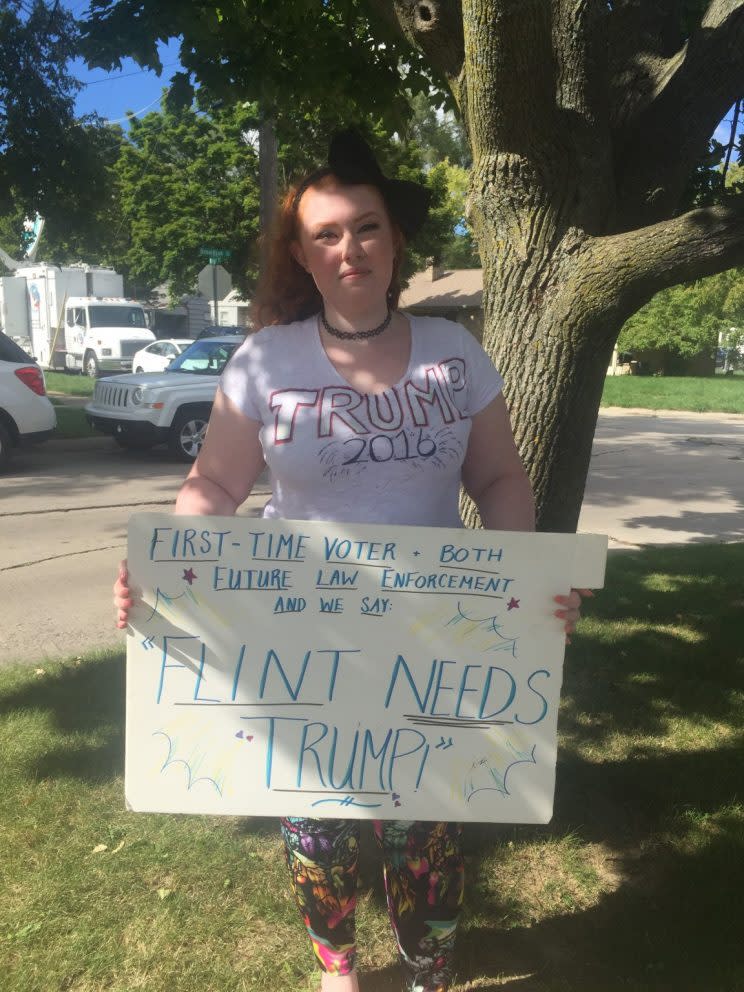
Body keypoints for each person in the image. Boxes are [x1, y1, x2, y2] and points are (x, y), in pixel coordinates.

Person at [114, 130, 587, 992]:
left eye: (365, 227)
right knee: (317, 822)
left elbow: (499, 476)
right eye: (326, 234)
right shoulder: (264, 360)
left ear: (394, 237)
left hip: (430, 632)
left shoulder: (454, 353)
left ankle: (428, 968)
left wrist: (526, 587)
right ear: (302, 253)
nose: (349, 248)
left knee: (427, 819)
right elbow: (214, 486)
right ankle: (339, 971)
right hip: (301, 631)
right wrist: (168, 569)